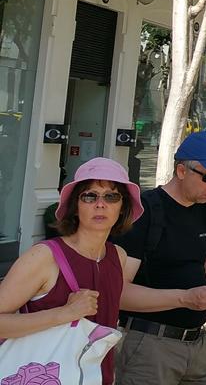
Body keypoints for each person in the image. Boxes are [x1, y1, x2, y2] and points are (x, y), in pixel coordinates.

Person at [114, 132, 206, 384]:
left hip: (198, 346)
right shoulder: (144, 212)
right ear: (181, 171)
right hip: (149, 348)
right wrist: (185, 299)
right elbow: (118, 292)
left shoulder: (205, 210)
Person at [0, 158, 143, 385]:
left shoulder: (118, 256)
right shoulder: (44, 257)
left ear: (122, 206)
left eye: (111, 196)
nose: (100, 204)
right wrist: (63, 314)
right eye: (89, 196)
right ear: (75, 206)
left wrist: (185, 298)